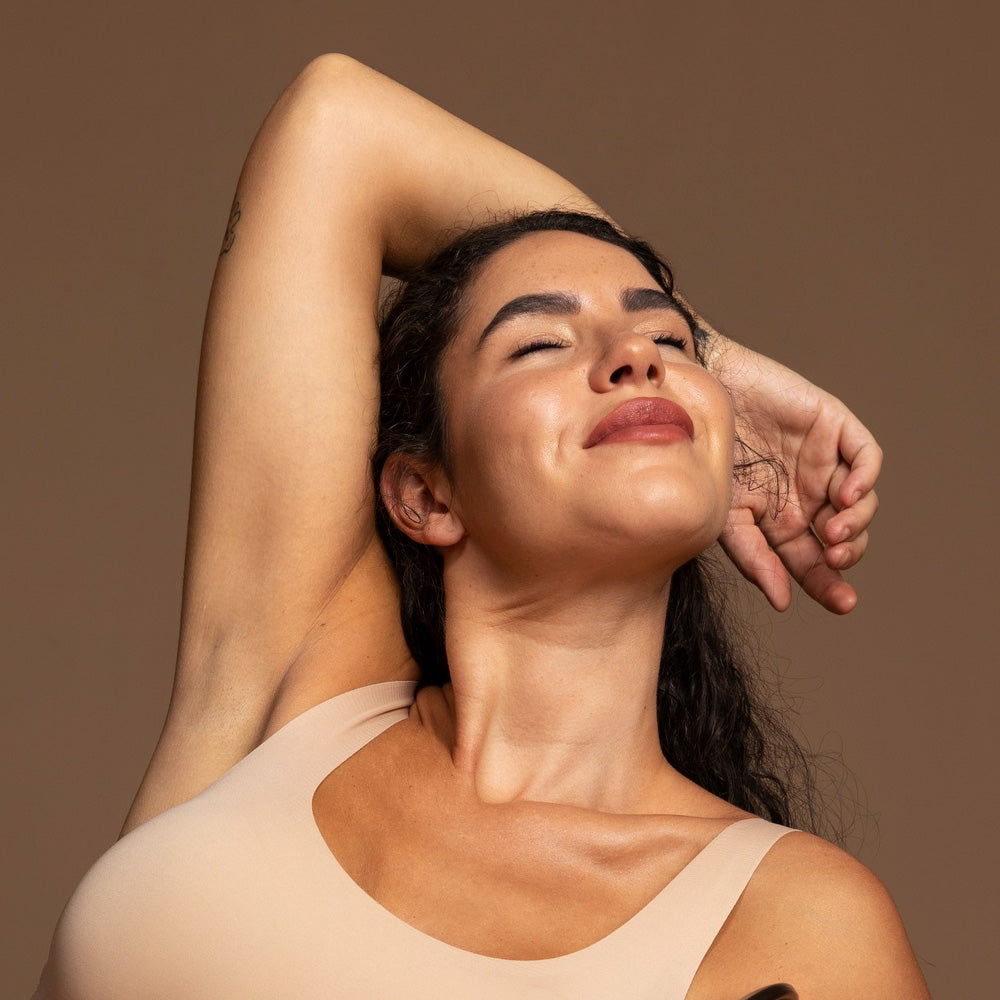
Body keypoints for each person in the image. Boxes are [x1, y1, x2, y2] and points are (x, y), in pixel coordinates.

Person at [33, 55, 929, 999]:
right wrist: (717, 356)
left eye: (666, 340)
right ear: (426, 495)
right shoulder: (295, 679)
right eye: (542, 342)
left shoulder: (795, 924)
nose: (637, 358)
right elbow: (337, 126)